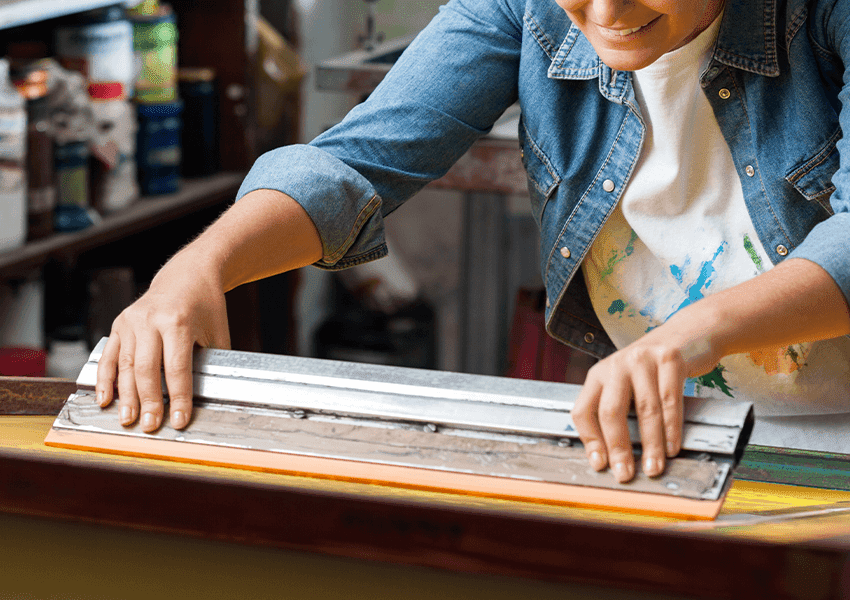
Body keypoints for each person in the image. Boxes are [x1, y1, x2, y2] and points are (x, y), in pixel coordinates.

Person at [96, 0, 850, 483]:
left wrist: (693, 333)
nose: (609, 11)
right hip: (679, 431)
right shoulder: (521, 8)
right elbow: (353, 163)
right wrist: (197, 268)